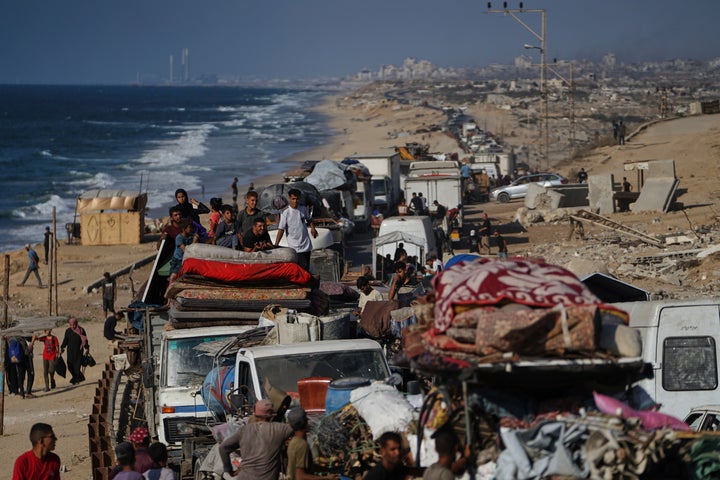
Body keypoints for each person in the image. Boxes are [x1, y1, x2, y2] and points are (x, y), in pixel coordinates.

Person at [218, 399, 293, 480]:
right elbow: (299, 427)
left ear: (255, 415)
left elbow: (223, 448)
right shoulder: (280, 429)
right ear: (272, 415)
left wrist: (229, 470)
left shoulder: (244, 430)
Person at [286, 408, 339, 480]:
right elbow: (300, 476)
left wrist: (328, 470)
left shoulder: (294, 442)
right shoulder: (302, 445)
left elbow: (308, 467)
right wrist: (326, 477)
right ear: (306, 423)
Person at [274, 188, 317, 272]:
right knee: (297, 270)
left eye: (297, 199)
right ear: (289, 198)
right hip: (294, 247)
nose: (295, 201)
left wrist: (313, 228)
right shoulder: (285, 212)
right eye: (293, 199)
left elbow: (309, 219)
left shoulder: (303, 209)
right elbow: (281, 229)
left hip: (306, 245)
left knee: (305, 269)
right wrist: (276, 245)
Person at [60, 317, 89, 385]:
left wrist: (87, 348)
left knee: (77, 366)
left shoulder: (81, 330)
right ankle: (77, 377)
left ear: (76, 324)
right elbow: (65, 341)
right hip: (70, 351)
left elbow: (84, 340)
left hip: (78, 351)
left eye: (74, 325)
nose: (73, 326)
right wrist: (62, 348)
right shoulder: (68, 331)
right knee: (70, 366)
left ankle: (76, 380)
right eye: (71, 325)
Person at [169, 220, 198, 285]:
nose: (191, 229)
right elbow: (186, 251)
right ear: (184, 229)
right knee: (173, 276)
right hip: (178, 259)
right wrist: (194, 241)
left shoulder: (191, 236)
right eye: (189, 227)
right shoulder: (179, 238)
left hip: (185, 259)